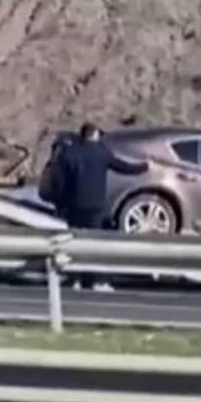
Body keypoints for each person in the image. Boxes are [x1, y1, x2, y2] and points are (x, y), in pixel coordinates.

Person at [58, 123, 149, 291]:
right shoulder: (102, 153)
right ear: (95, 135)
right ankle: (95, 280)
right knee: (94, 245)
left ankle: (75, 279)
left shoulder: (69, 154)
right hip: (95, 207)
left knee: (74, 244)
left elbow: (61, 182)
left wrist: (61, 205)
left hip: (74, 207)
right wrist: (143, 167)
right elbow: (123, 167)